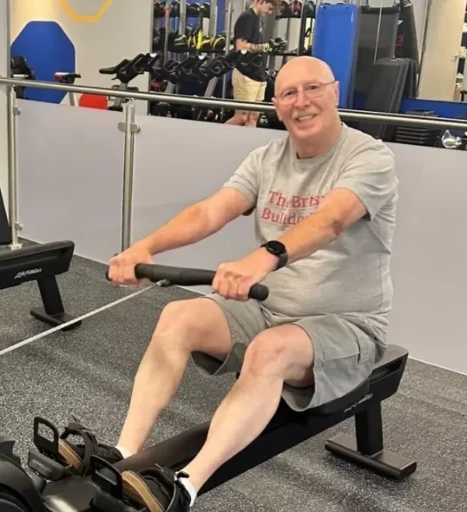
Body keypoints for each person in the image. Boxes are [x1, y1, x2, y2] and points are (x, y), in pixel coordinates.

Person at [55, 56, 399, 512]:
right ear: (276, 105)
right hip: (269, 309)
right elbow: (210, 211)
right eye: (289, 94)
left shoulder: (369, 157)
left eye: (313, 89)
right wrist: (145, 248)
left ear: (335, 92)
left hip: (345, 325)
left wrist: (265, 257)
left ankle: (185, 487)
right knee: (178, 316)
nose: (302, 102)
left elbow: (331, 220)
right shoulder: (266, 158)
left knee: (268, 351)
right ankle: (124, 453)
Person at [226, 0, 277, 127]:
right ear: (261, 1)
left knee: (253, 117)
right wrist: (264, 47)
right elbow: (240, 45)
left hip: (258, 74)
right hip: (246, 74)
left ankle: (248, 147)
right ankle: (215, 139)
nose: (269, 12)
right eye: (269, 8)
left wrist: (270, 46)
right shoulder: (247, 18)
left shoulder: (259, 19)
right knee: (241, 117)